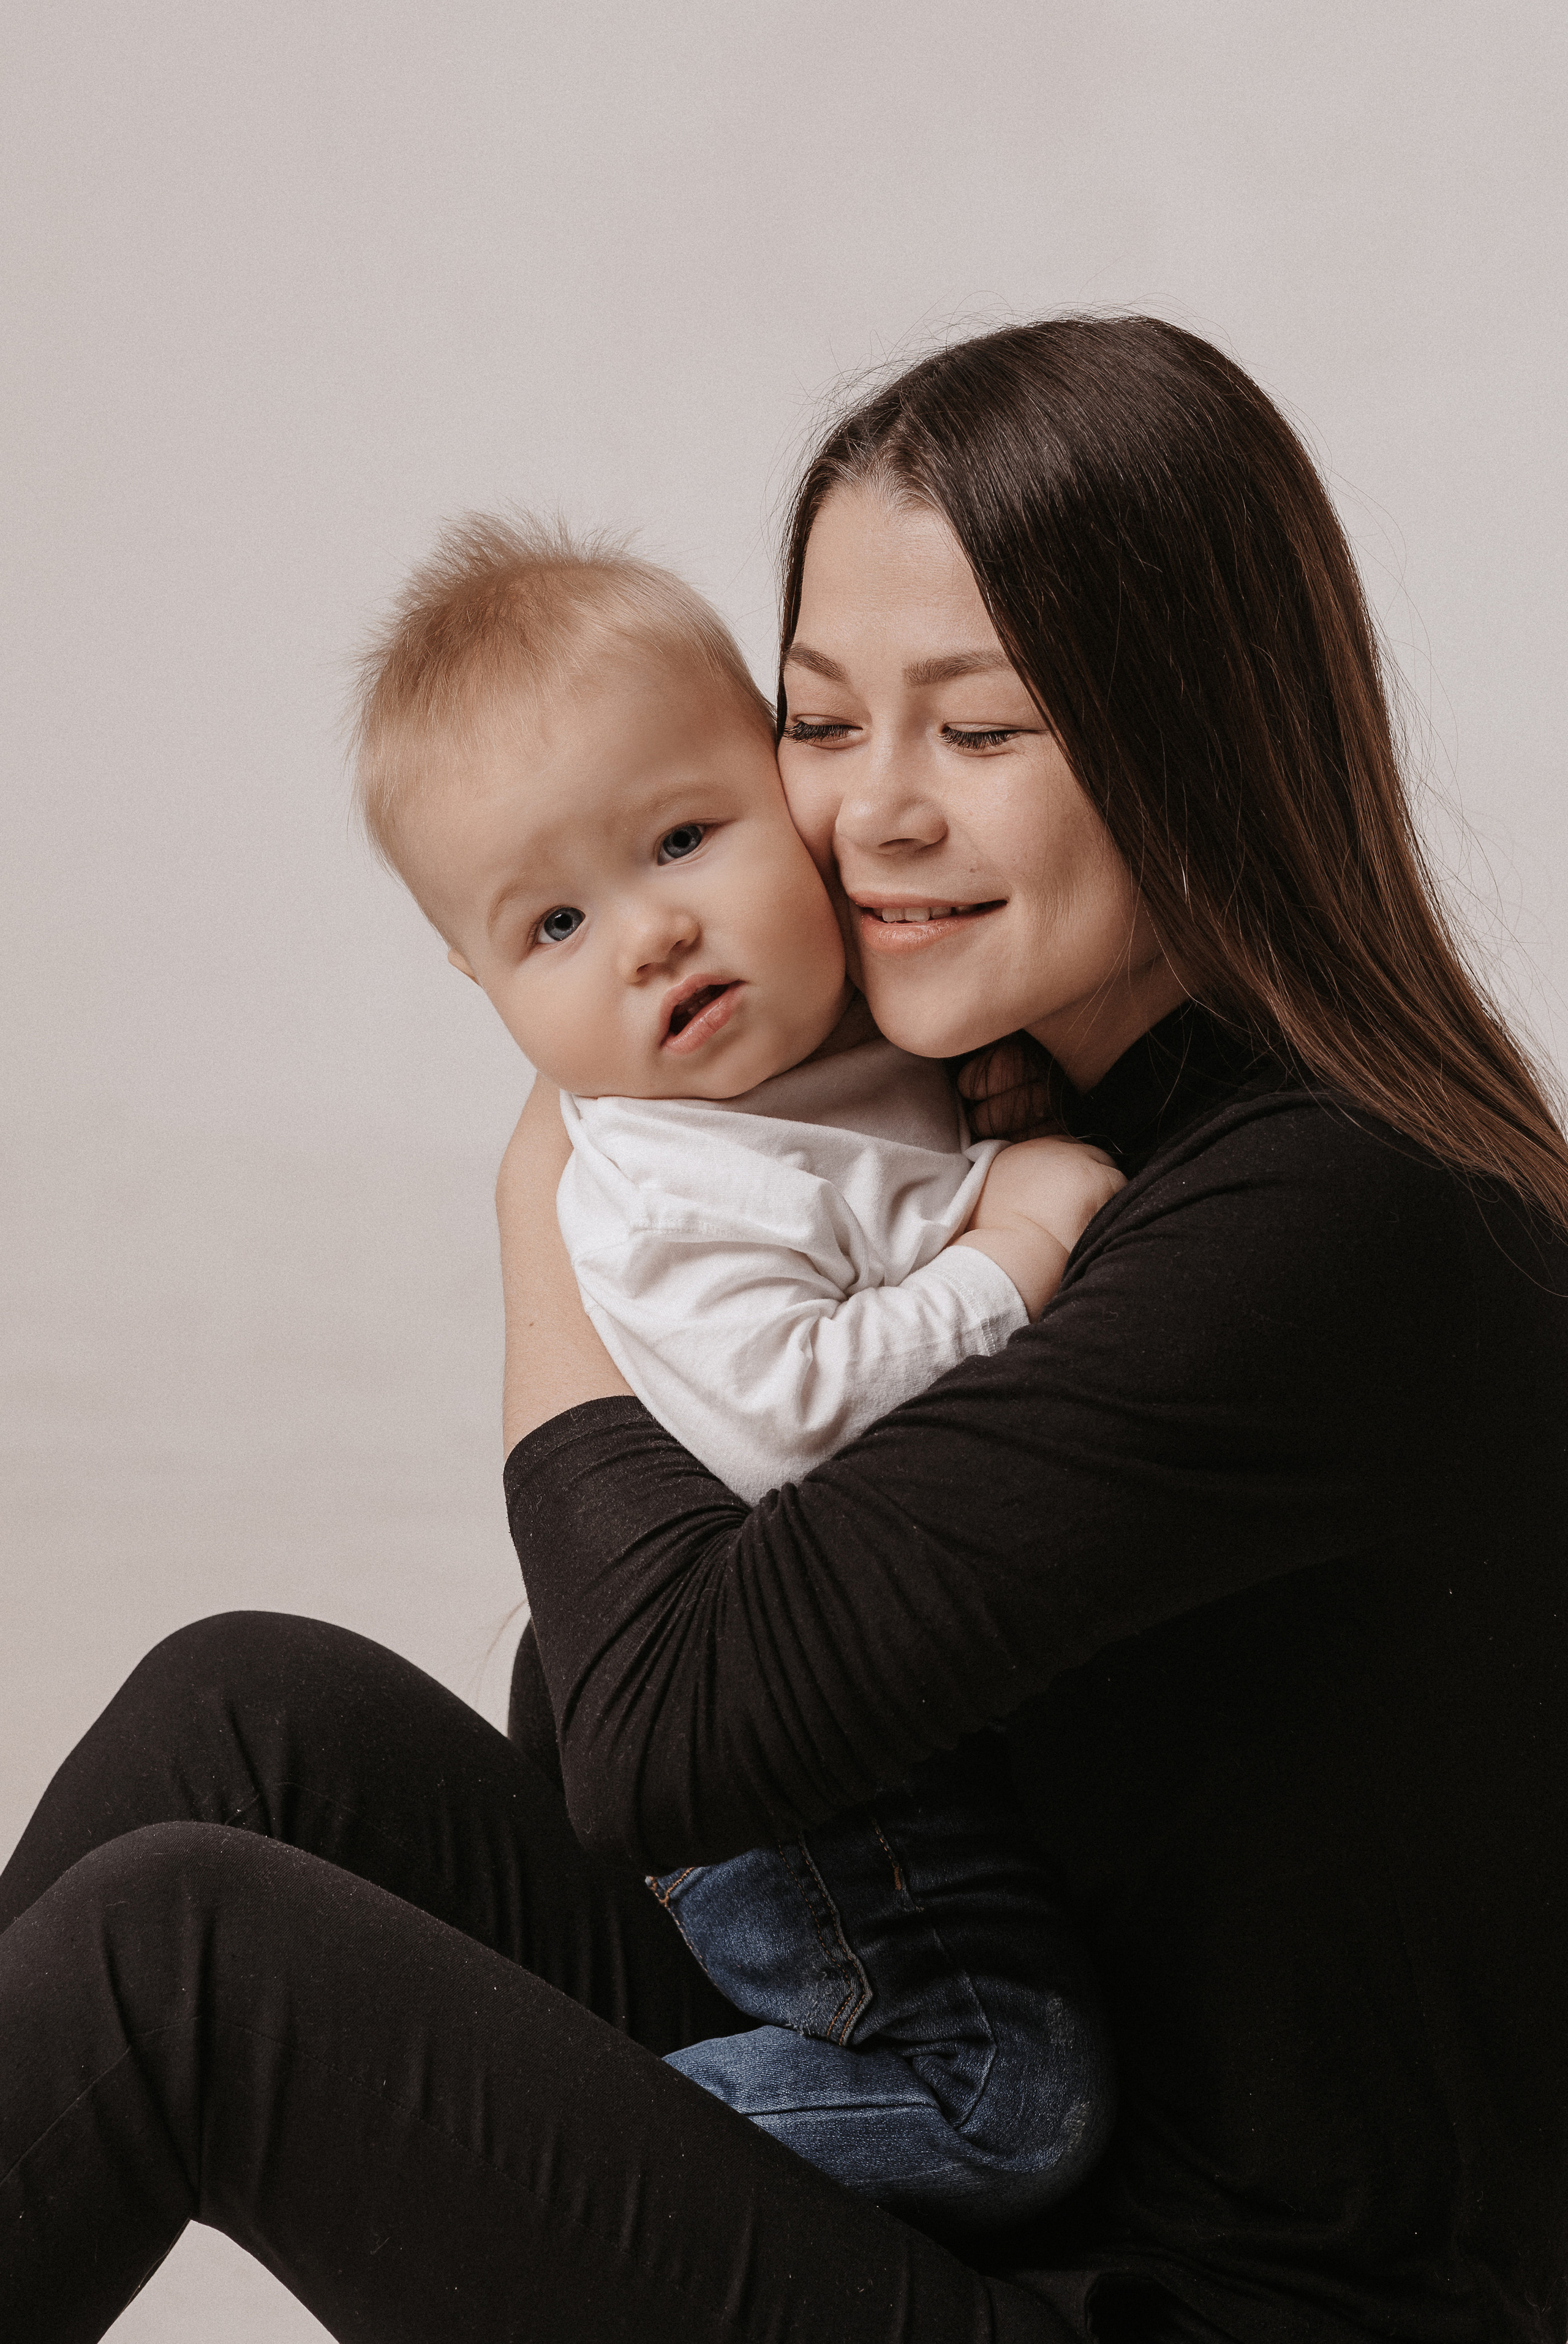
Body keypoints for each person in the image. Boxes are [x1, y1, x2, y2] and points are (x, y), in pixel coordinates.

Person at [2, 314, 1566, 2344]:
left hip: (1182, 2300)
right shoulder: (1005, 1127)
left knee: (181, 1963)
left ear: (1202, 728)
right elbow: (615, 1732)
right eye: (822, 724)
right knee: (248, 1713)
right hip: (987, 2151)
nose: (877, 816)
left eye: (980, 731)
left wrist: (553, 1201)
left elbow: (661, 1733)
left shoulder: (1318, 1221)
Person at [351, 515, 1123, 2223]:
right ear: (477, 979)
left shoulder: (849, 1045)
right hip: (806, 1806)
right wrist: (1015, 1243)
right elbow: (796, 1420)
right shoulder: (662, 1179)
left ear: (790, 794)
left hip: (858, 1732)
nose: (650, 935)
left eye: (685, 837)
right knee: (1008, 2096)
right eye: (553, 923)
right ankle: (524, 2132)